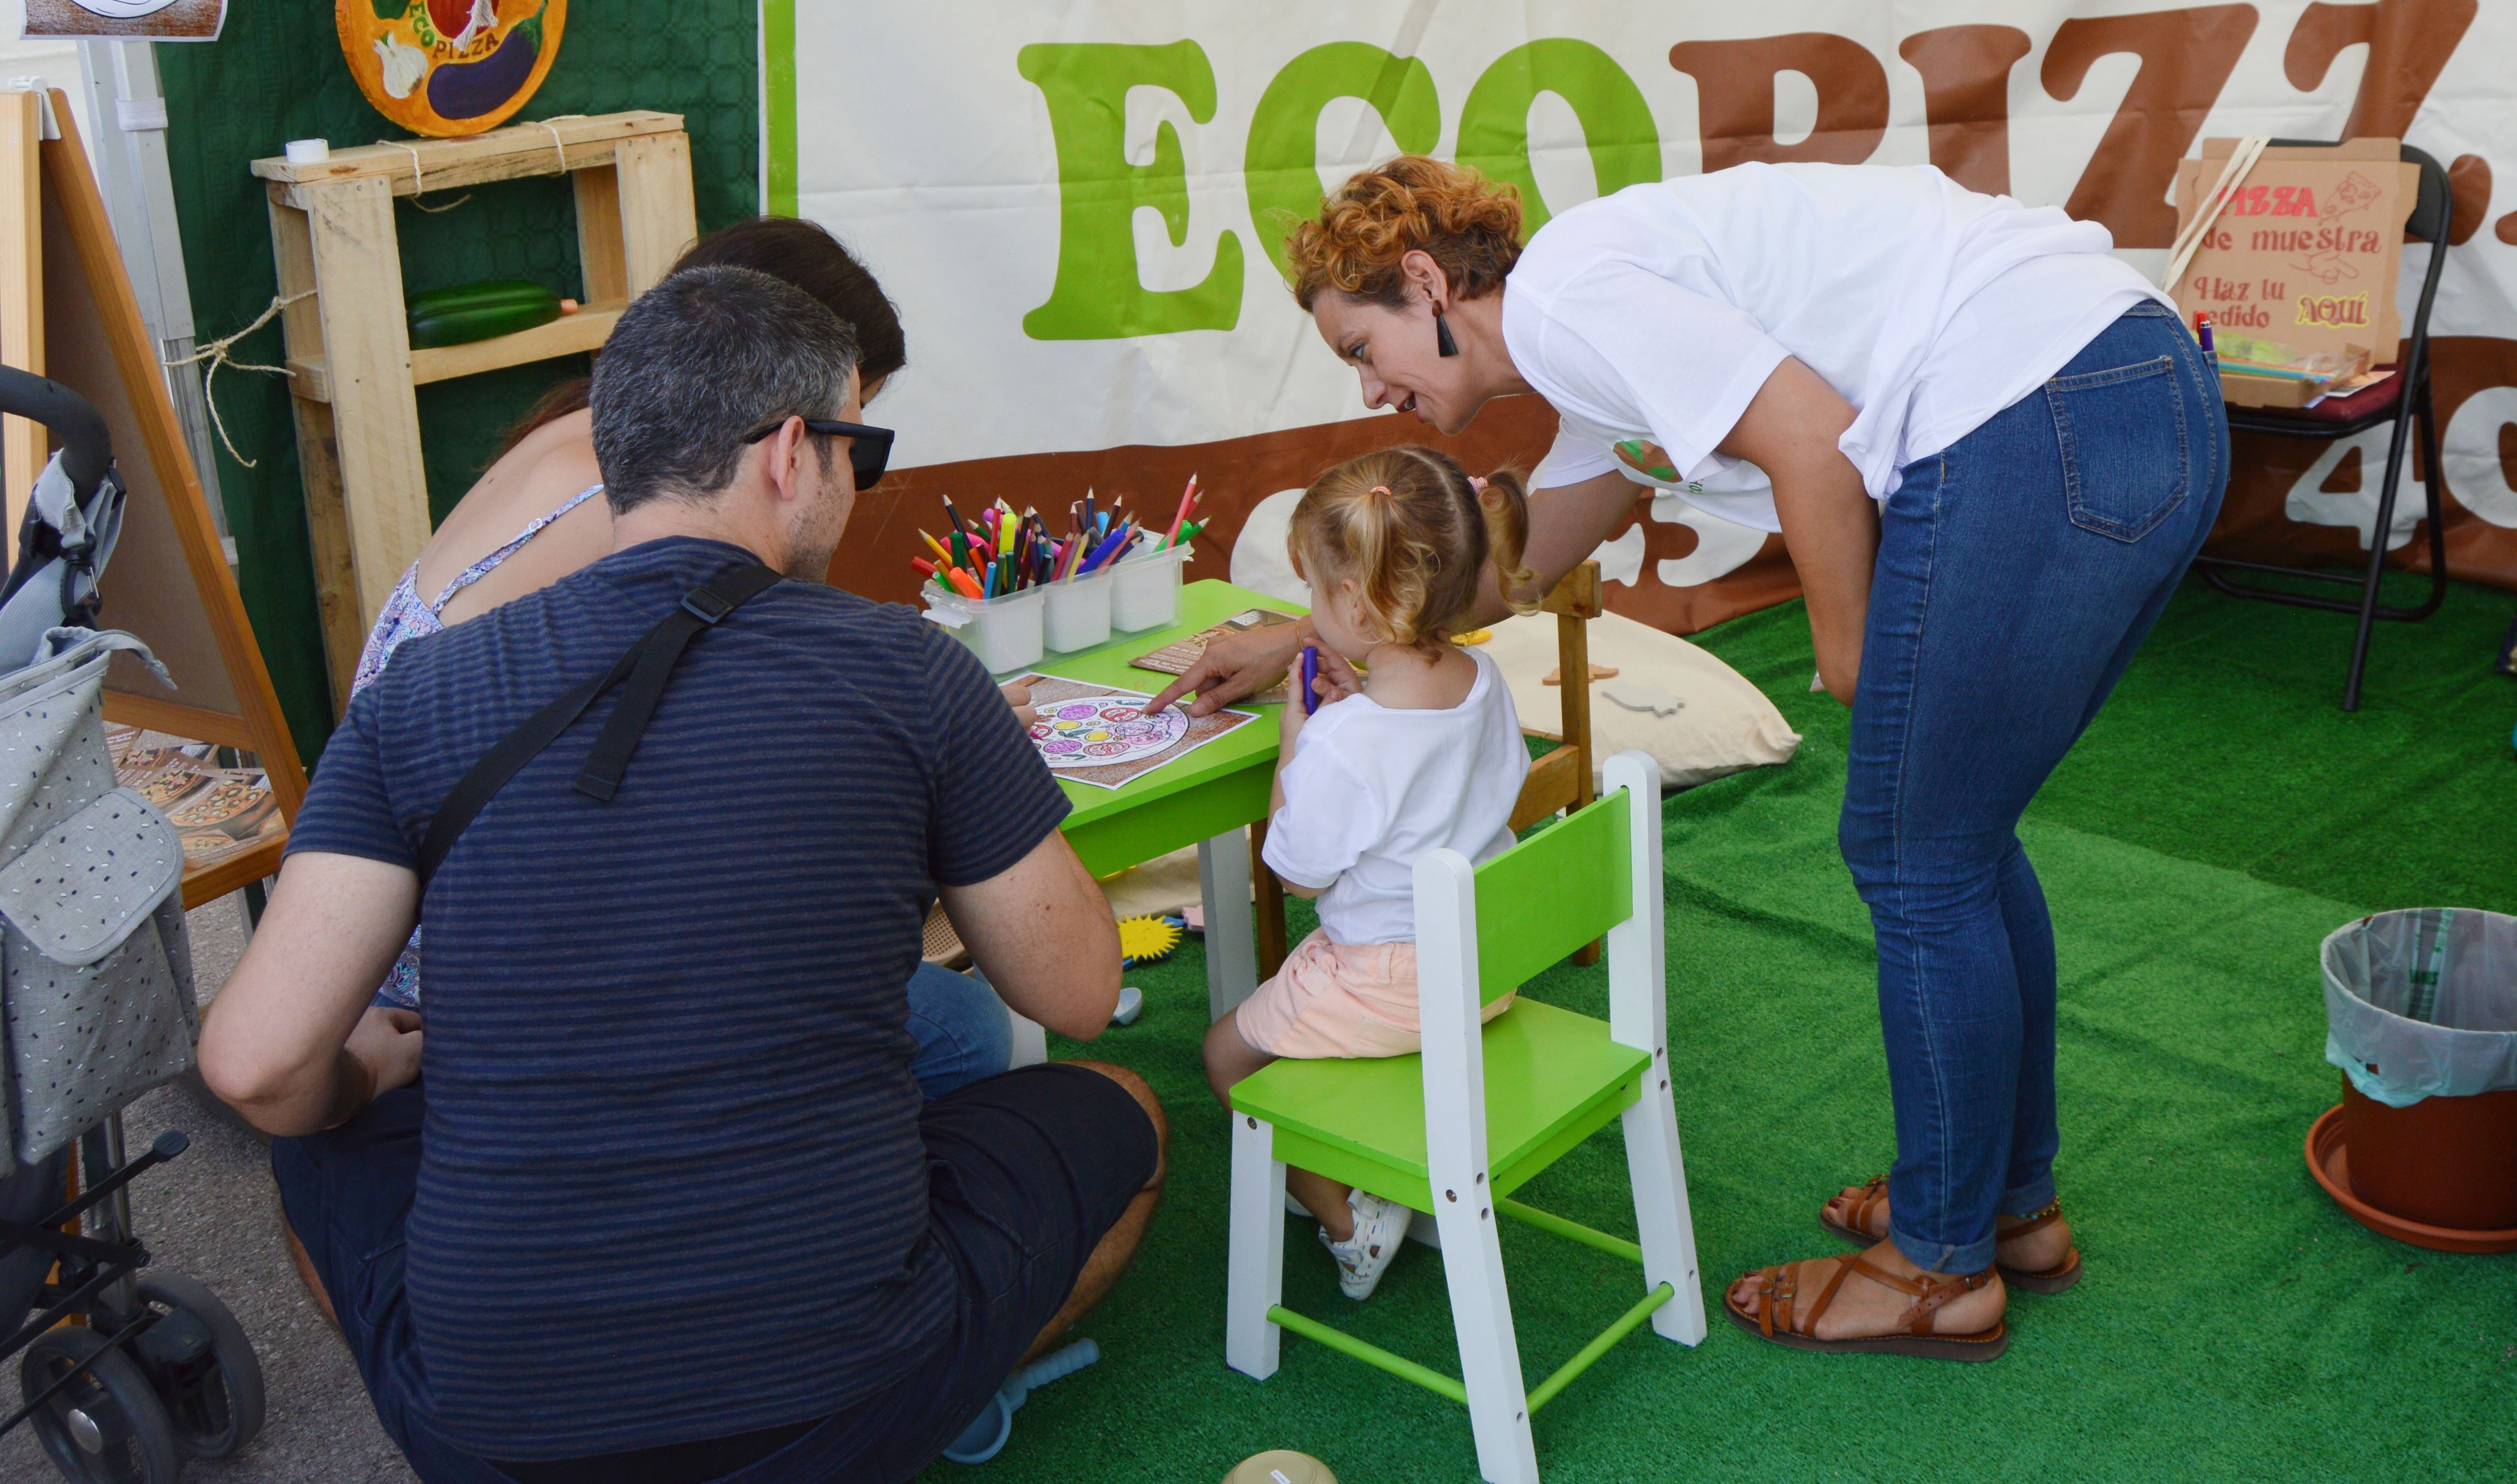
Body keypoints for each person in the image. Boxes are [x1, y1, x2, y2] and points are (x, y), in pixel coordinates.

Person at [1154, 155, 2229, 1359]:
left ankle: (1938, 1266)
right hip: (2132, 396)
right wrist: (1299, 633)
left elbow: (1812, 441)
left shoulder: (1566, 304)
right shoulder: (1601, 382)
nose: (1369, 389)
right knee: (1954, 845)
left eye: (1363, 345)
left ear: (1423, 282)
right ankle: (2000, 1205)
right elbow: (1476, 582)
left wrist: (1847, 662)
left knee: (1913, 854)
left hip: (2044, 408)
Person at [198, 264, 1165, 1483]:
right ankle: (948, 1395)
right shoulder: (909, 670)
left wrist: (362, 1078)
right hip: (840, 1396)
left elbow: (250, 1062)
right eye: (855, 454)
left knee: (319, 1145)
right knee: (1119, 1106)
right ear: (789, 454)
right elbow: (1077, 992)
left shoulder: (419, 695)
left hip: (493, 1434)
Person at [348, 218, 1003, 1099]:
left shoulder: (589, 437)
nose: (841, 475)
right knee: (963, 1029)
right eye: (846, 436)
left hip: (383, 920)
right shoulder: (623, 514)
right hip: (475, 960)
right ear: (782, 415)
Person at [1203, 445, 1535, 1300]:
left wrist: (1295, 745)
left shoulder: (1345, 743)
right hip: (1485, 962)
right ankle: (1373, 1169)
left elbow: (1297, 874)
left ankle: (1351, 1220)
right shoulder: (1483, 679)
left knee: (1224, 1056)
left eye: (1312, 590)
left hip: (1390, 980)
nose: (1308, 609)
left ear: (1354, 600)